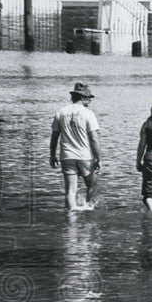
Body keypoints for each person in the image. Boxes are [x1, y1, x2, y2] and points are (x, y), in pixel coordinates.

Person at [50, 82, 101, 211]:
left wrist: (52, 155)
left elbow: (54, 136)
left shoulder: (60, 112)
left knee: (70, 191)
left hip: (67, 156)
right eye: (89, 98)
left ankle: (71, 224)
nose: (90, 101)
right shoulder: (88, 113)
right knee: (92, 186)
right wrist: (99, 158)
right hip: (85, 156)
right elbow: (94, 139)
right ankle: (89, 215)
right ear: (83, 98)